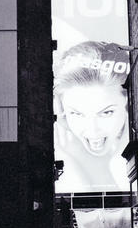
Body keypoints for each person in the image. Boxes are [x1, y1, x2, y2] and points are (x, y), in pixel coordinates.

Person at [54, 41, 130, 193]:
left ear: (127, 102)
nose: (93, 130)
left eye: (106, 112)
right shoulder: (63, 151)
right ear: (61, 109)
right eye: (76, 113)